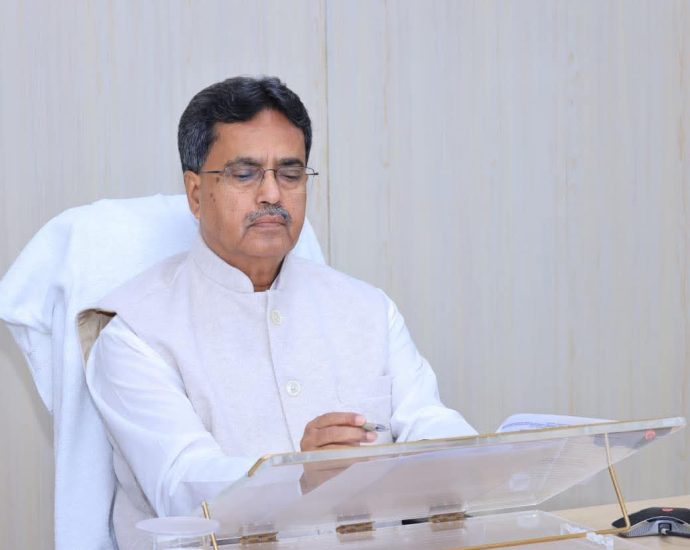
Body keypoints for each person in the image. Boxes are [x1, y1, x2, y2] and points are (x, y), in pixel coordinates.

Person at [85, 75, 476, 549]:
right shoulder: (136, 333)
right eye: (244, 174)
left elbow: (428, 422)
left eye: (290, 174)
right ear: (195, 193)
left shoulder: (368, 310)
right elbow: (181, 484)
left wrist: (474, 457)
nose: (272, 194)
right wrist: (299, 477)